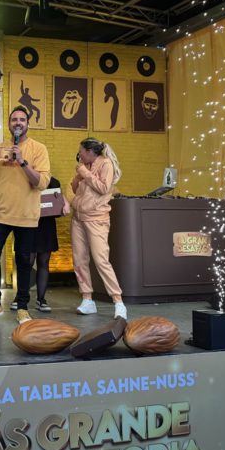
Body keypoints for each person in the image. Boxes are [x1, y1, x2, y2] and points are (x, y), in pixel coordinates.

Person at [0, 105, 50, 324]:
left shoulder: (38, 149)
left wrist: (22, 161)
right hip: (0, 213)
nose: (18, 123)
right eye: (14, 119)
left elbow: (42, 182)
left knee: (24, 261)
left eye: (22, 120)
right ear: (9, 124)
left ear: (27, 124)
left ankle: (23, 307)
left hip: (26, 214)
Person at [70, 137, 127, 320]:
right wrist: (78, 176)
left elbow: (103, 188)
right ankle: (87, 299)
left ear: (89, 152)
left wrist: (84, 173)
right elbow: (76, 189)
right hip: (78, 218)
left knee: (101, 260)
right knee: (79, 260)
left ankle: (118, 302)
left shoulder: (106, 164)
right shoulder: (84, 166)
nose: (79, 155)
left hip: (96, 219)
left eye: (81, 152)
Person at [9, 176, 69, 313]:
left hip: (46, 226)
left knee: (44, 261)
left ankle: (41, 299)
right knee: (27, 262)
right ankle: (20, 297)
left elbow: (57, 205)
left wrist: (63, 204)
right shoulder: (23, 179)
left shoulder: (53, 182)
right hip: (27, 225)